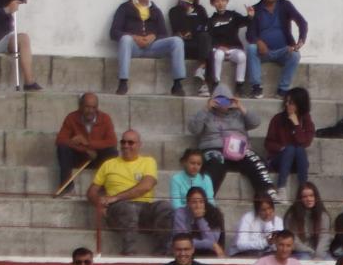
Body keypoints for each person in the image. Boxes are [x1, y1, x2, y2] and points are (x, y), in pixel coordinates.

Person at [87, 128, 168, 256]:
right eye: (123, 142)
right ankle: (129, 252)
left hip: (144, 208)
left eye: (131, 143)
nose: (126, 146)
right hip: (118, 209)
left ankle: (163, 252)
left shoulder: (148, 161)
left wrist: (116, 197)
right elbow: (91, 191)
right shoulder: (108, 164)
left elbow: (146, 186)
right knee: (127, 208)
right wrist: (100, 203)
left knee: (165, 207)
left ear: (139, 145)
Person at [188, 87, 273, 199]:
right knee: (215, 164)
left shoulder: (238, 114)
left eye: (226, 100)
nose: (223, 103)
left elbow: (256, 122)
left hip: (238, 148)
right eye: (219, 100)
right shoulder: (206, 114)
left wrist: (240, 107)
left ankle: (268, 192)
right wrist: (206, 109)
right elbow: (194, 129)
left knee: (254, 160)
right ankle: (206, 197)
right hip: (214, 147)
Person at [109, 0, 186, 97]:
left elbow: (163, 33)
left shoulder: (156, 10)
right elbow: (114, 32)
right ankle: (123, 82)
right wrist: (134, 37)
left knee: (177, 41)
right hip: (133, 48)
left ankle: (177, 84)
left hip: (152, 48)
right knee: (125, 39)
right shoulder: (124, 8)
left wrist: (153, 36)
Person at [243, 0, 308, 99]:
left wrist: (300, 41)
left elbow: (302, 22)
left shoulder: (285, 5)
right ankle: (256, 87)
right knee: (251, 48)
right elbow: (249, 34)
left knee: (295, 55)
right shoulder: (255, 9)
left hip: (283, 50)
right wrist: (258, 41)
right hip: (264, 53)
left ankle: (282, 90)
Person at [54, 92, 117, 189]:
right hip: (79, 157)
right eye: (87, 107)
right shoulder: (71, 117)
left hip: (98, 158)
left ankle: (106, 188)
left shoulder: (105, 118)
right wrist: (85, 149)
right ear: (80, 106)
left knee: (112, 151)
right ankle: (67, 187)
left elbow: (112, 142)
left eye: (94, 107)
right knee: (62, 149)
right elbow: (60, 140)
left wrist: (88, 143)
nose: (91, 111)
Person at [264, 86, 314, 198]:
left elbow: (305, 142)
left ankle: (303, 189)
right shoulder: (277, 119)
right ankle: (281, 188)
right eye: (286, 101)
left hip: (297, 161)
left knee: (299, 149)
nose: (287, 105)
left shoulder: (305, 120)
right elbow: (268, 143)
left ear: (299, 104)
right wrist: (283, 149)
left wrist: (296, 125)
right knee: (290, 148)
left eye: (291, 103)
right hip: (278, 159)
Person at [169, 0, 212, 97]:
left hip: (198, 45)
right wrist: (185, 13)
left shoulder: (200, 10)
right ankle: (200, 81)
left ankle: (202, 70)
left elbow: (204, 26)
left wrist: (193, 32)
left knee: (205, 37)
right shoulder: (174, 11)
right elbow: (176, 28)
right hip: (183, 46)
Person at [206, 0, 250, 93]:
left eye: (222, 0)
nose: (220, 3)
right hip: (219, 49)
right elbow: (209, 37)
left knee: (242, 56)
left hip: (234, 48)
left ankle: (239, 85)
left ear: (227, 1)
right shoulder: (211, 20)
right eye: (217, 1)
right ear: (212, 3)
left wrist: (250, 16)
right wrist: (217, 46)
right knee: (218, 55)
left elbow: (245, 21)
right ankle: (215, 83)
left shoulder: (233, 15)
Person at [170, 186, 225, 256]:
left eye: (201, 202)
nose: (198, 206)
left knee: (212, 253)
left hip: (206, 251)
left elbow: (213, 241)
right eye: (194, 202)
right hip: (185, 251)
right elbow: (182, 242)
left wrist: (200, 219)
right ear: (188, 203)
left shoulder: (213, 214)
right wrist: (210, 244)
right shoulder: (180, 214)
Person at [284, 181, 332, 259]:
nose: (309, 199)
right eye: (305, 197)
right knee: (305, 258)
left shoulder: (323, 215)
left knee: (331, 260)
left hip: (319, 251)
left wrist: (318, 255)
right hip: (301, 251)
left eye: (311, 196)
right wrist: (311, 252)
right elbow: (294, 240)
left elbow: (324, 237)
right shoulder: (292, 216)